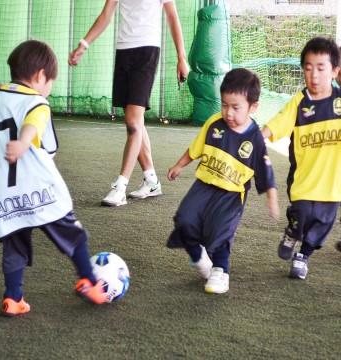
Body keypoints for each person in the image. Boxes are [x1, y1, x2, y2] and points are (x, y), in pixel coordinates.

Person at [0, 40, 109, 317]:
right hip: (38, 189)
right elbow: (36, 129)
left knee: (14, 242)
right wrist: (24, 142)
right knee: (73, 233)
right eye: (50, 81)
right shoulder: (38, 102)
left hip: (0, 192)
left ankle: (13, 298)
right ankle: (90, 280)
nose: (49, 88)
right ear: (40, 76)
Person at [167, 68, 279, 294]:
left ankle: (220, 270)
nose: (228, 112)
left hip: (231, 194)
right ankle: (199, 257)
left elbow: (265, 171)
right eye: (224, 105)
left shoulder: (255, 137)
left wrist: (272, 198)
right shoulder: (214, 123)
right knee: (184, 219)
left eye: (236, 107)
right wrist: (180, 165)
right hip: (204, 186)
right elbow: (195, 148)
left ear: (253, 107)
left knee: (220, 231)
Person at [69, 0, 189, 207]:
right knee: (135, 122)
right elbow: (106, 14)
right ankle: (151, 181)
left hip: (147, 52)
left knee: (133, 123)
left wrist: (182, 57)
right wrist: (84, 44)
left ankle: (120, 187)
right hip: (124, 52)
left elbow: (172, 17)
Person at [262, 36, 341, 279]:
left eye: (320, 68)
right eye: (308, 68)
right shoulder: (299, 102)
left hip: (333, 184)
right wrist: (256, 137)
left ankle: (303, 256)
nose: (314, 75)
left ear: (335, 71)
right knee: (303, 214)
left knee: (323, 224)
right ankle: (293, 230)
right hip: (303, 179)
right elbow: (278, 123)